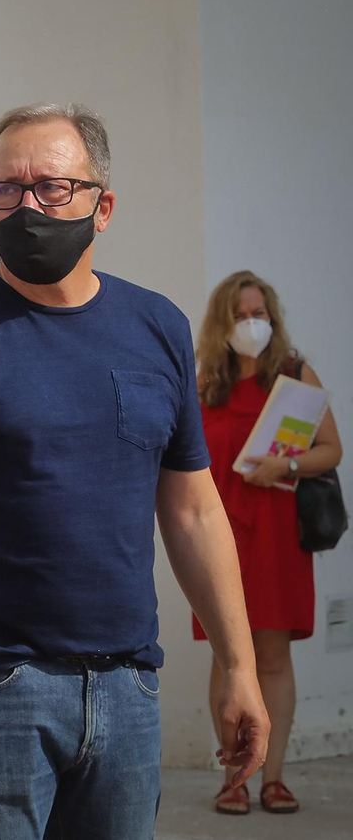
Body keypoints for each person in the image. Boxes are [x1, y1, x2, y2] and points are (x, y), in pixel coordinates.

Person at [0, 102, 269, 839]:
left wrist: (239, 664)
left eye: (52, 187)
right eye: (5, 189)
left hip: (128, 688)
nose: (26, 206)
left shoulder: (158, 327)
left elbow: (195, 512)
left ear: (102, 207)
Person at [194, 271, 342, 816]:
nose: (252, 325)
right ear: (222, 323)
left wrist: (289, 463)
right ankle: (233, 778)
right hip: (220, 534)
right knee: (228, 653)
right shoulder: (206, 379)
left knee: (273, 656)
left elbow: (332, 450)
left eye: (260, 314)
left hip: (278, 530)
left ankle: (273, 779)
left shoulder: (294, 375)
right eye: (240, 315)